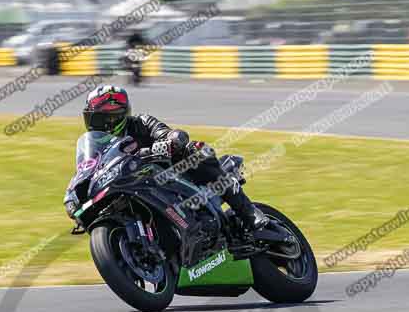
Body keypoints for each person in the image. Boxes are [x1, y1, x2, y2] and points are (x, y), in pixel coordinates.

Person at [64, 85, 268, 231]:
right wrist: (74, 195)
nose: (98, 124)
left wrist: (171, 141)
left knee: (196, 151)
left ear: (117, 116)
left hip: (169, 174)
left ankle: (249, 212)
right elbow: (87, 169)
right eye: (94, 118)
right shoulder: (96, 145)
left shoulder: (141, 123)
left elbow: (168, 134)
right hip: (133, 187)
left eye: (103, 118)